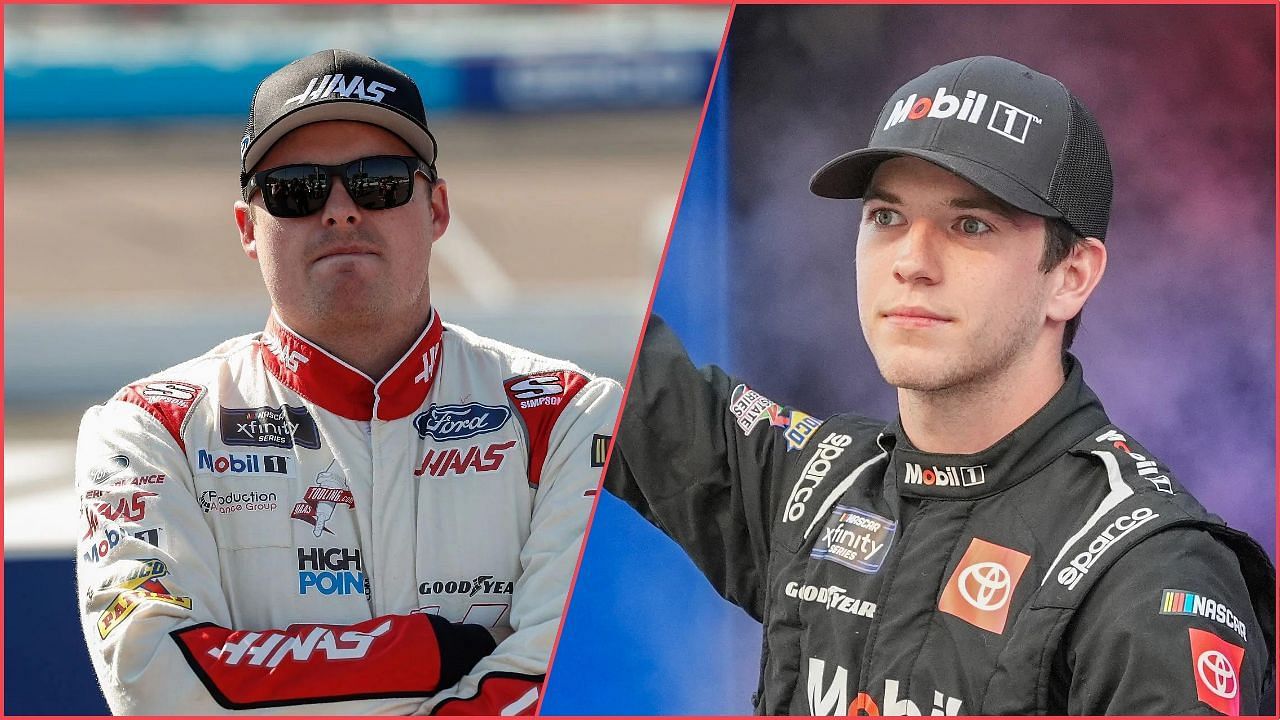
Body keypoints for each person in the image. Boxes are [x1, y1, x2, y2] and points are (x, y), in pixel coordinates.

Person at [607, 56, 1274, 715]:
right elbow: (608, 385)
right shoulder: (820, 483)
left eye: (970, 225)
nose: (912, 262)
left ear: (1071, 276)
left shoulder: (1148, 574)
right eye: (886, 218)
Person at [75, 49, 620, 715]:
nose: (339, 210)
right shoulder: (148, 429)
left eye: (379, 182)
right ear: (249, 228)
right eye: (296, 190)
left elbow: (576, 675)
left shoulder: (568, 416)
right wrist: (446, 650)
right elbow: (153, 684)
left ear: (438, 210)